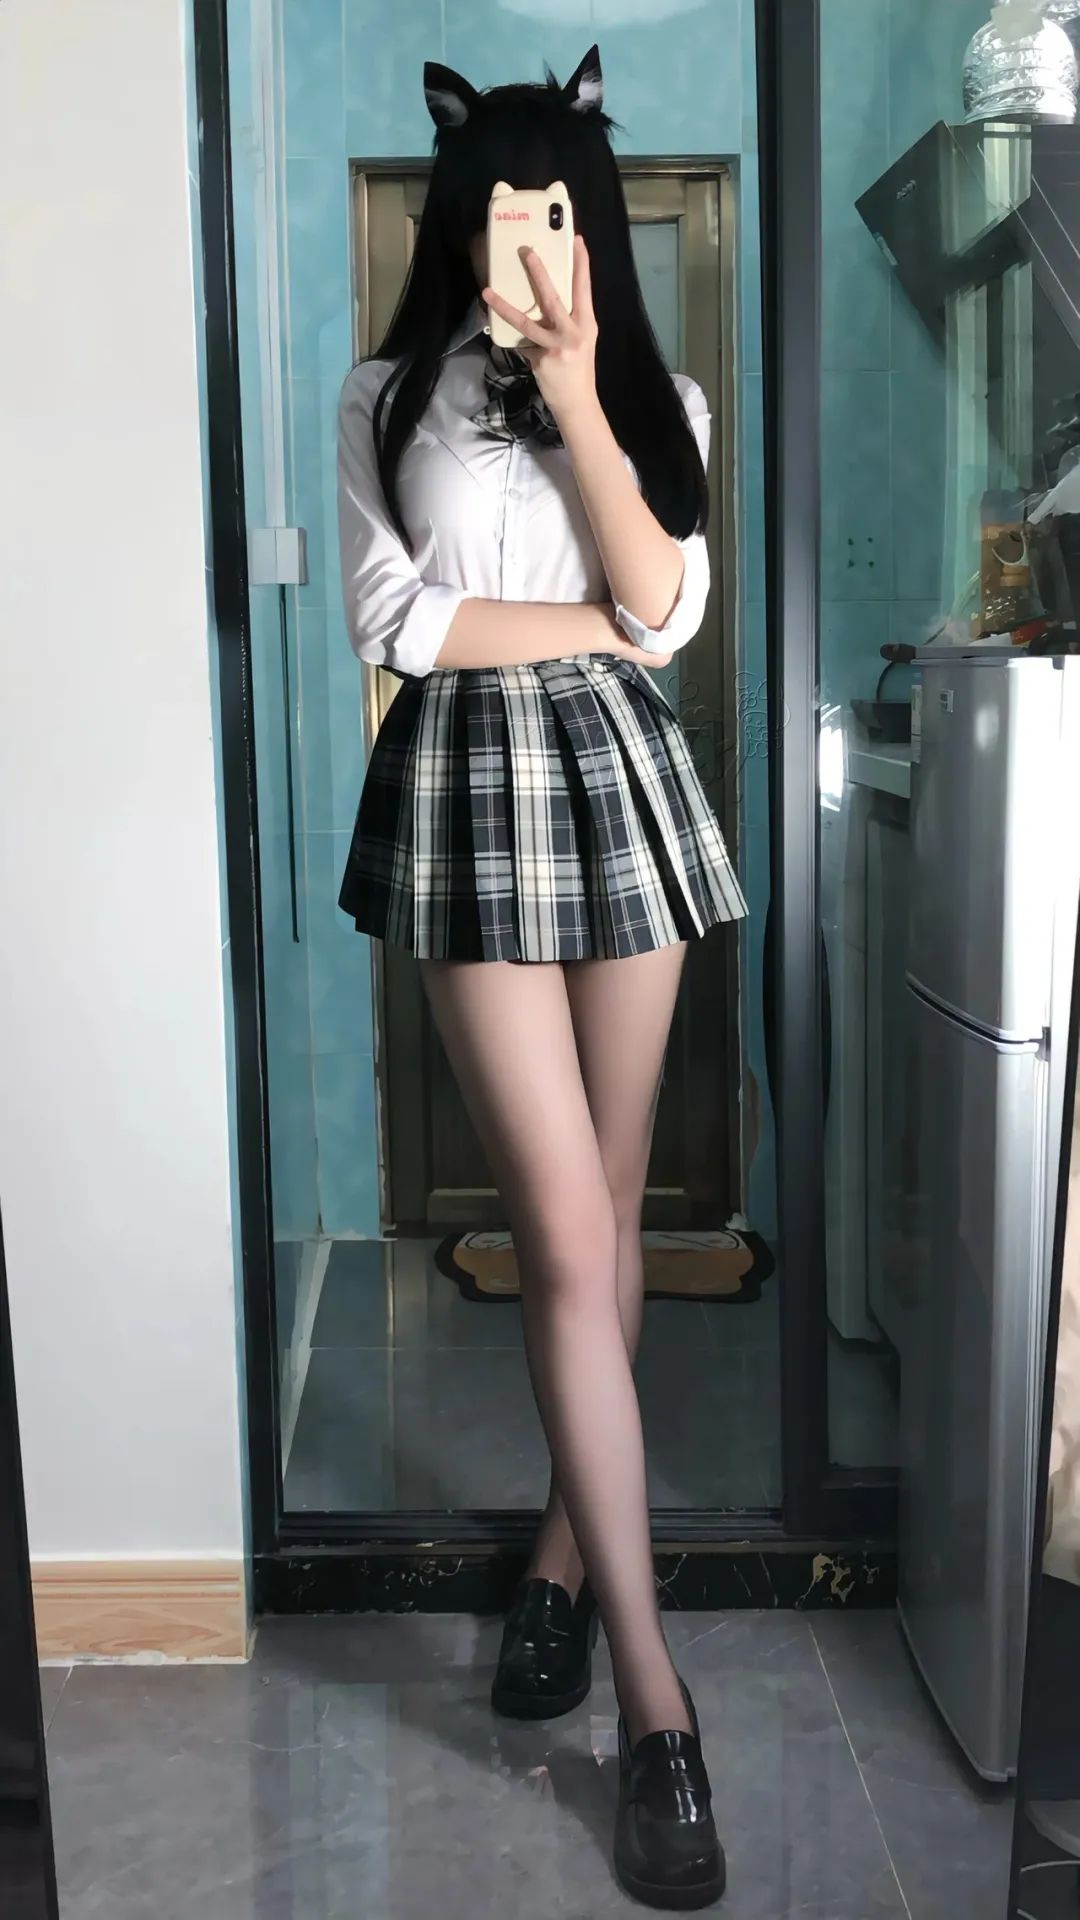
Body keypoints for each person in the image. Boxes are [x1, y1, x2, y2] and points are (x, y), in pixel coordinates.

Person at [336, 41, 746, 1910]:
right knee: (569, 1236)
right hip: (466, 799)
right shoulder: (385, 392)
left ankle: (569, 1570)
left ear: (596, 226)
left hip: (624, 791)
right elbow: (398, 620)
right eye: (504, 209)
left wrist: (581, 392)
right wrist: (597, 620)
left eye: (560, 207)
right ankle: (658, 1708)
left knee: (616, 1201)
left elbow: (676, 609)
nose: (532, 236)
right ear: (459, 222)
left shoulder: (662, 394)